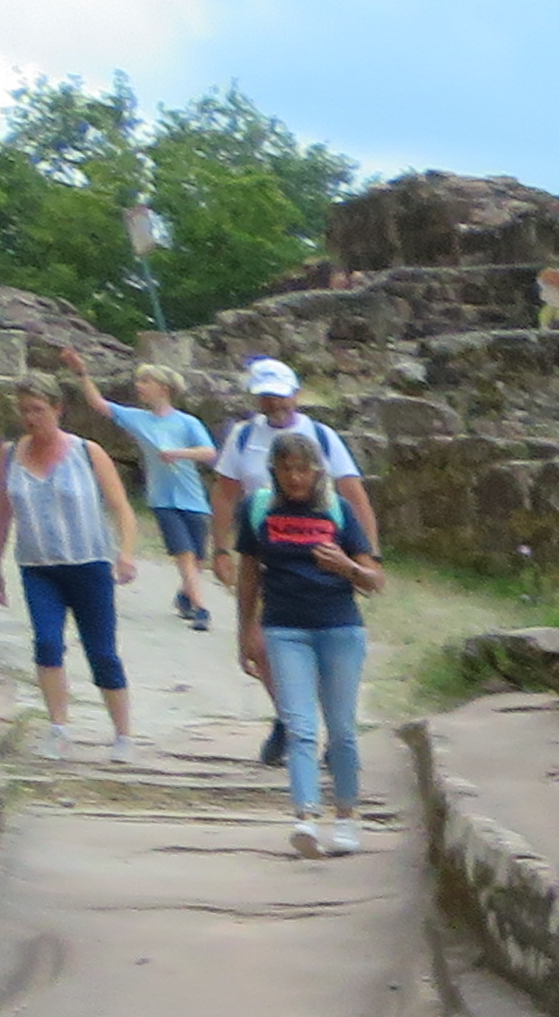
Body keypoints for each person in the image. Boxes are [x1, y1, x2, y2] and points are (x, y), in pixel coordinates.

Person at [229, 425, 381, 856]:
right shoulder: (258, 509)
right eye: (286, 469)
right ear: (273, 471)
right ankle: (306, 817)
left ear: (317, 471)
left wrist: (347, 567)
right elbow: (248, 574)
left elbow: (375, 581)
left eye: (303, 469)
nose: (295, 477)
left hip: (339, 628)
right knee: (299, 726)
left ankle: (347, 815)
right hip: (284, 628)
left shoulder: (338, 510)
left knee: (342, 729)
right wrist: (246, 631)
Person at [211, 356, 372, 759]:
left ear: (296, 395)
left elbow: (354, 496)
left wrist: (368, 558)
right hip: (266, 549)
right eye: (266, 396)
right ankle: (290, 719)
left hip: (318, 552)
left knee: (320, 649)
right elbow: (226, 493)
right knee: (261, 645)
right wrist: (220, 548)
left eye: (280, 395)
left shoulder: (321, 436)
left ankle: (321, 729)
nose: (274, 403)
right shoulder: (244, 437)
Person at [0, 386, 144, 758]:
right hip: (39, 567)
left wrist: (126, 553)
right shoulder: (8, 456)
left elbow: (121, 508)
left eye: (38, 409)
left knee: (102, 652)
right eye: (25, 410)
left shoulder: (87, 452)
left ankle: (123, 735)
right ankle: (58, 728)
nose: (31, 418)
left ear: (58, 409)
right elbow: (1, 514)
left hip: (89, 564)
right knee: (47, 642)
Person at [108, 365, 220, 627]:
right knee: (184, 553)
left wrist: (178, 453)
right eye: (139, 380)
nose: (139, 386)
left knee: (198, 557)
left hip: (192, 498)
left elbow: (209, 452)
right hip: (162, 499)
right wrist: (81, 375)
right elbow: (101, 405)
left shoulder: (187, 422)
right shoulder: (138, 418)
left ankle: (185, 595)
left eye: (145, 381)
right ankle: (201, 608)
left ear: (163, 388)